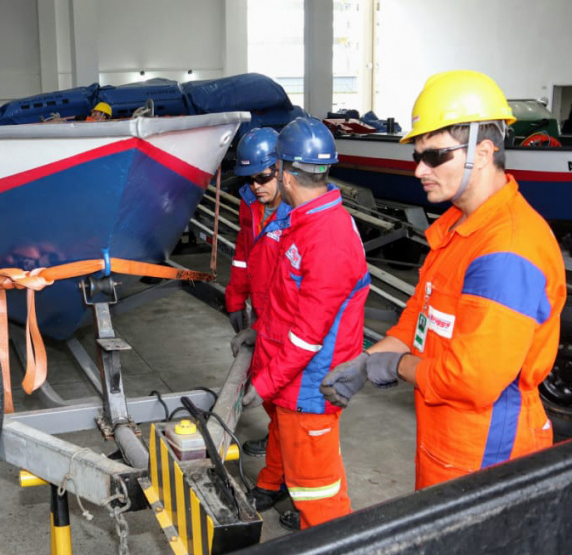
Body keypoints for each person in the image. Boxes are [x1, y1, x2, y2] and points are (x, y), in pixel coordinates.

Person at [321, 70, 566, 490]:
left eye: (434, 156)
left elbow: (473, 380)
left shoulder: (506, 250)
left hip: (488, 448)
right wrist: (372, 356)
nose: (419, 170)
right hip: (449, 436)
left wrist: (395, 365)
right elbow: (423, 313)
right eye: (417, 156)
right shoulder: (459, 227)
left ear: (483, 152)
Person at [238, 117, 369, 530]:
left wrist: (260, 385)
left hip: (309, 389)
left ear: (284, 173)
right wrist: (258, 334)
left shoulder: (326, 238)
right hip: (294, 383)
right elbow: (285, 305)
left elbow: (307, 336)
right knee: (306, 481)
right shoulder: (305, 222)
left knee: (319, 498)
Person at [225, 128, 284, 462]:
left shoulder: (297, 212)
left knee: (285, 388)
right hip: (263, 312)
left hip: (285, 316)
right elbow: (243, 253)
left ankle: (282, 441)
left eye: (262, 177)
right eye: (248, 180)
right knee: (267, 381)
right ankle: (278, 436)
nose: (255, 186)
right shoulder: (250, 204)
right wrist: (235, 298)